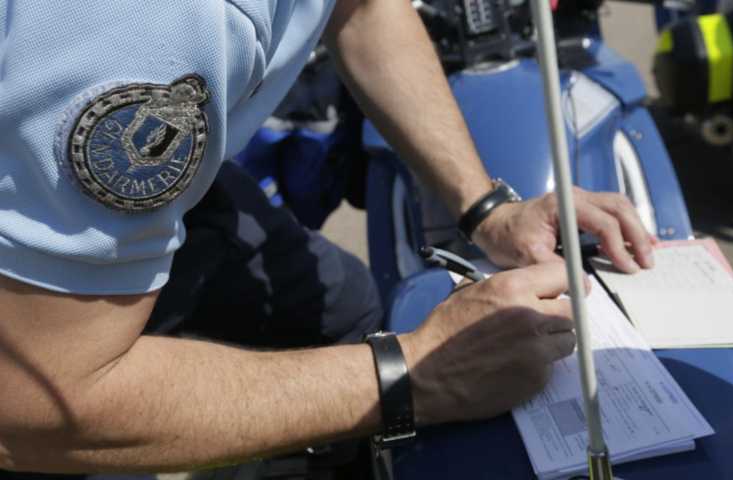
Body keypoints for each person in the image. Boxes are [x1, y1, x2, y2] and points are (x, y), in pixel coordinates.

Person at [0, 0, 655, 474]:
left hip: (177, 185)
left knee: (348, 312)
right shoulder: (160, 28)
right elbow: (35, 405)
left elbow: (363, 9)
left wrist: (486, 210)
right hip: (31, 339)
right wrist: (417, 376)